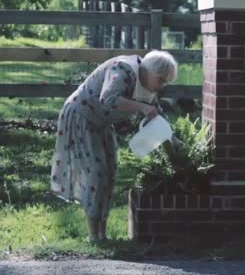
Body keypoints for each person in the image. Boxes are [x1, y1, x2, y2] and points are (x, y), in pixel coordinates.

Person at [50, 50, 180, 243]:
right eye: (161, 80)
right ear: (150, 71)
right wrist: (142, 108)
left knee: (110, 170)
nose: (161, 86)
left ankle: (103, 234)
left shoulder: (147, 87)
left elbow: (158, 117)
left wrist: (175, 141)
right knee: (97, 171)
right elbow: (108, 98)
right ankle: (93, 236)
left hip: (101, 123)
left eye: (165, 82)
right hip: (81, 117)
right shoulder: (123, 69)